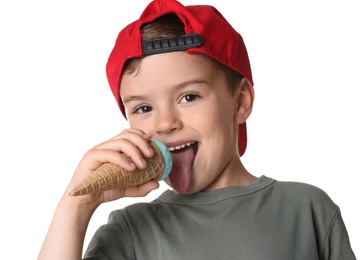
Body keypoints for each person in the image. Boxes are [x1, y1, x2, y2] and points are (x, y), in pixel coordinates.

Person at [38, 0, 356, 259]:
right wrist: (76, 206)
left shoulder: (307, 210)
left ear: (241, 101)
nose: (164, 123)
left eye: (189, 96)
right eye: (143, 108)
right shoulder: (129, 232)